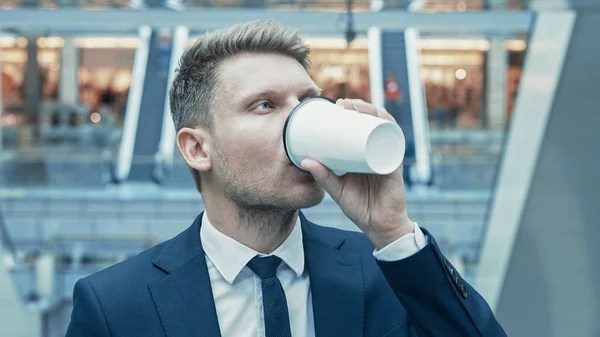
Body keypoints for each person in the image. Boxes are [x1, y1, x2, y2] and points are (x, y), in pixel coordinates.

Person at [66, 20, 506, 337]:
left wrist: (392, 231)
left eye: (309, 101)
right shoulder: (116, 305)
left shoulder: (386, 273)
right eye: (264, 105)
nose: (299, 119)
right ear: (198, 149)